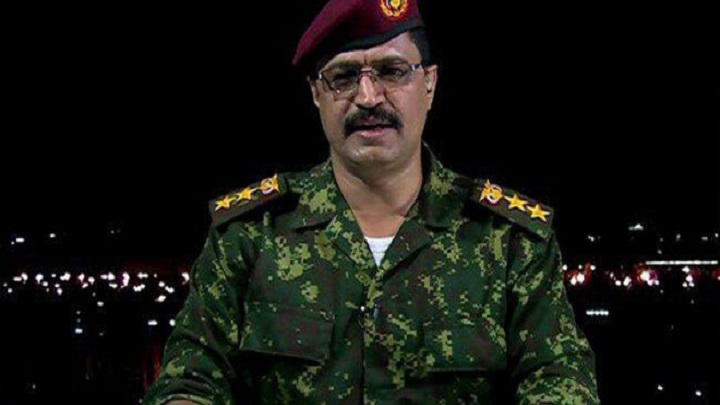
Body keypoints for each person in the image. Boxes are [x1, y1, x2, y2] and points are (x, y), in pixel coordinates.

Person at [143, 0, 600, 403]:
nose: (367, 97)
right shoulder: (248, 237)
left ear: (430, 83)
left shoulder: (510, 242)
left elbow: (559, 382)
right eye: (343, 77)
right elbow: (189, 380)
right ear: (316, 93)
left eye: (391, 71)